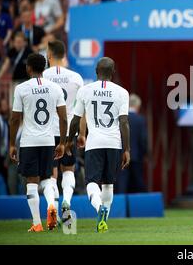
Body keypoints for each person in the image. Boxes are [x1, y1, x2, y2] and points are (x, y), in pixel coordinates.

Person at [66, 57, 130, 233]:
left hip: (94, 143)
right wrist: (127, 149)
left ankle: (98, 207)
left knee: (92, 182)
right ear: (113, 72)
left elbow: (75, 120)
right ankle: (104, 222)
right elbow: (124, 122)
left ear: (96, 71)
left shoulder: (85, 90)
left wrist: (68, 141)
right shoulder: (122, 92)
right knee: (109, 184)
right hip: (114, 143)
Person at [9, 53, 67, 232]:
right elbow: (63, 118)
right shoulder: (55, 88)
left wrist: (12, 144)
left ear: (28, 68)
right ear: (45, 68)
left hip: (29, 141)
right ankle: (51, 204)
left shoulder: (21, 88)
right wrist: (62, 143)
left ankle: (37, 223)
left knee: (31, 182)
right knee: (48, 178)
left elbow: (14, 119)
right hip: (48, 140)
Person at [43, 40, 84, 222]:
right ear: (64, 54)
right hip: (68, 131)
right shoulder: (76, 77)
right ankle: (66, 203)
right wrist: (82, 134)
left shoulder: (42, 76)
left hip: (47, 130)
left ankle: (52, 206)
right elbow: (81, 111)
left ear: (49, 55)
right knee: (68, 169)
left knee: (51, 173)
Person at [116, 93, 147, 193]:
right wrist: (143, 154)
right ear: (138, 106)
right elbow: (143, 140)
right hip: (136, 157)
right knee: (138, 184)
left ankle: (120, 207)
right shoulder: (140, 120)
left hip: (121, 156)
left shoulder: (119, 119)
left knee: (121, 184)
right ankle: (140, 206)